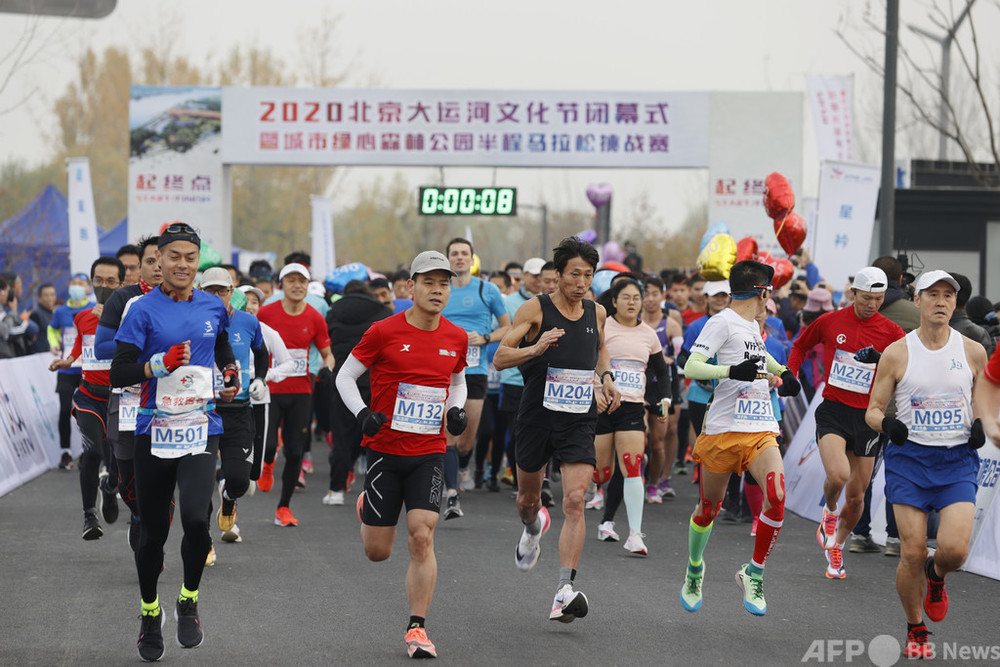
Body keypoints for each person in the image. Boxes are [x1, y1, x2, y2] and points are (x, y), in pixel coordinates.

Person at [110, 222, 237, 661]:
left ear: (198, 261)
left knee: (198, 521)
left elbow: (221, 347)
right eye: (174, 256)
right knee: (153, 534)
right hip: (154, 430)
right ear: (158, 261)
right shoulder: (142, 310)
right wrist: (156, 365)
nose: (182, 264)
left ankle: (188, 598)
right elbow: (119, 372)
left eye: (190, 257)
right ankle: (150, 612)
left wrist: (231, 374)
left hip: (201, 427)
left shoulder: (214, 306)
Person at [335, 250, 469, 659]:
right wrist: (363, 414)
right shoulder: (382, 331)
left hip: (429, 451)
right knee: (378, 552)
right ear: (410, 287)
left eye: (443, 283)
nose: (437, 290)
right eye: (428, 282)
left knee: (422, 535)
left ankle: (417, 628)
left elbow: (458, 381)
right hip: (385, 452)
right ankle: (367, 506)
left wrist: (455, 410)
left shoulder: (456, 337)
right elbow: (345, 375)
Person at [493, 236, 621, 623]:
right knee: (528, 502)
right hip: (536, 415)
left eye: (588, 275)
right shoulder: (536, 309)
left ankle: (564, 590)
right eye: (574, 274)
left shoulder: (597, 312)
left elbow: (599, 349)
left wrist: (608, 376)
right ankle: (533, 529)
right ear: (558, 275)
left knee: (575, 499)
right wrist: (536, 348)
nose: (581, 282)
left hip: (578, 416)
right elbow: (500, 357)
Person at [865, 270, 987, 659]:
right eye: (932, 294)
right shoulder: (898, 352)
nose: (940, 302)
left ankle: (937, 577)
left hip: (956, 460)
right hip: (910, 459)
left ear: (955, 302)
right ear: (916, 301)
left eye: (947, 295)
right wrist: (888, 424)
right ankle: (916, 628)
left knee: (954, 551)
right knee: (912, 552)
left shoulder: (972, 351)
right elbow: (872, 411)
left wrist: (983, 423)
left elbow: (986, 400)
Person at [678, 260, 801, 617]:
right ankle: (695, 569)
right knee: (708, 510)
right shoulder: (722, 322)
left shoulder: (751, 325)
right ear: (762, 292)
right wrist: (729, 371)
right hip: (722, 431)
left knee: (776, 496)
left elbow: (759, 358)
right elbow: (692, 366)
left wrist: (784, 373)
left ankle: (754, 572)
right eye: (770, 292)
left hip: (760, 429)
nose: (771, 298)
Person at [786, 267, 905, 579]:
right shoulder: (830, 320)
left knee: (857, 497)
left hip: (868, 418)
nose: (873, 305)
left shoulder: (891, 331)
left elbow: (909, 364)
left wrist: (880, 357)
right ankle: (828, 509)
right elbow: (799, 345)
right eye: (867, 298)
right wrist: (792, 373)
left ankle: (837, 543)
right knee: (838, 476)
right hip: (834, 411)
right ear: (854, 294)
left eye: (878, 299)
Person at [591, 278, 671, 554]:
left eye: (637, 297)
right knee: (602, 473)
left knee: (631, 465)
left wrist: (664, 398)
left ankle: (634, 535)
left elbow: (662, 371)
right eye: (626, 297)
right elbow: (588, 362)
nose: (632, 302)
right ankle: (603, 513)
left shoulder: (649, 334)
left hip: (633, 409)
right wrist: (594, 393)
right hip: (602, 405)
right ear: (614, 301)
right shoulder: (603, 328)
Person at [48, 256, 124, 539]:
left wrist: (112, 319)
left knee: (119, 459)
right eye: (99, 281)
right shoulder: (82, 317)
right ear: (92, 283)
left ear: (121, 283)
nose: (104, 286)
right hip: (89, 396)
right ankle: (89, 516)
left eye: (110, 282)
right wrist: (67, 360)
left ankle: (110, 486)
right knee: (92, 451)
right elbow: (81, 344)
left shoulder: (130, 314)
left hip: (120, 398)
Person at [95, 235, 163, 548]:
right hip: (127, 397)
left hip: (170, 401)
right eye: (150, 261)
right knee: (127, 482)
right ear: (139, 268)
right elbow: (101, 347)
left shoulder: (189, 300)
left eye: (165, 259)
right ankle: (132, 509)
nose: (159, 267)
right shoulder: (122, 299)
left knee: (163, 478)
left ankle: (152, 537)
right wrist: (145, 352)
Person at [257, 262, 335, 526]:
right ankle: (267, 463)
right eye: (291, 280)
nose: (297, 286)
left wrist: (327, 369)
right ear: (281, 286)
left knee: (295, 452)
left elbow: (328, 354)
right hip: (270, 389)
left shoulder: (314, 316)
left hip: (301, 391)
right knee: (267, 446)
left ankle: (283, 508)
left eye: (302, 281)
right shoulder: (266, 313)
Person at [439, 238, 510, 519]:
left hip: (475, 372)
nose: (459, 258)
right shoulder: (439, 289)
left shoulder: (487, 290)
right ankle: (452, 493)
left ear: (472, 259)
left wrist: (485, 338)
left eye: (464, 254)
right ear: (448, 259)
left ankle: (464, 464)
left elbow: (507, 328)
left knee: (467, 439)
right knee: (448, 436)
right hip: (444, 370)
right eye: (454, 253)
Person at [199, 268, 270, 545]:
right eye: (210, 291)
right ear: (200, 292)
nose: (217, 296)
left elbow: (261, 353)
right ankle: (202, 542)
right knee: (200, 485)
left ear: (232, 293)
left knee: (240, 480)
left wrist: (260, 379)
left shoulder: (248, 322)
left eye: (222, 291)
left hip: (239, 410)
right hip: (203, 411)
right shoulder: (192, 321)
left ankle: (228, 499)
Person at [323, 279, 392, 506]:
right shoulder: (382, 312)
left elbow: (327, 345)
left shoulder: (333, 313)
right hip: (373, 382)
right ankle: (376, 489)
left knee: (341, 436)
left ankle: (336, 490)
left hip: (342, 380)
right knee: (376, 436)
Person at [48, 273, 93, 469]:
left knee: (86, 413)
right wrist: (53, 344)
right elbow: (52, 329)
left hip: (87, 369)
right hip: (66, 369)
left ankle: (86, 451)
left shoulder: (93, 309)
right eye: (73, 283)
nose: (76, 287)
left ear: (88, 288)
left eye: (81, 284)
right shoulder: (61, 311)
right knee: (65, 409)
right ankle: (65, 452)